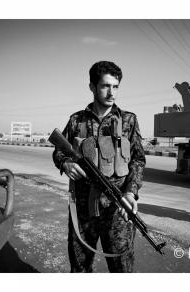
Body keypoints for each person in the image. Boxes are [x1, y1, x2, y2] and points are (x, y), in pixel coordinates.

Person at [52, 61, 146, 272]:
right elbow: (59, 151)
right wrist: (66, 163)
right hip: (84, 209)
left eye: (116, 87)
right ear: (92, 87)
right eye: (105, 86)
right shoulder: (77, 120)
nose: (112, 92)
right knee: (80, 268)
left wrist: (131, 193)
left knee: (122, 269)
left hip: (118, 209)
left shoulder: (128, 120)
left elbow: (138, 160)